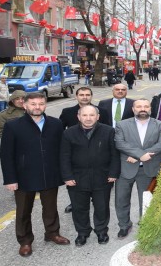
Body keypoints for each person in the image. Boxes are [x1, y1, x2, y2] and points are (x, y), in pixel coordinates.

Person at [0, 93, 70, 257]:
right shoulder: (13, 126)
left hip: (50, 173)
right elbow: (6, 155)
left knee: (51, 208)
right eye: (33, 104)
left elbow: (62, 150)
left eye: (40, 104)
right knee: (24, 210)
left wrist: (64, 173)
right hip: (24, 176)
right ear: (24, 105)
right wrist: (10, 179)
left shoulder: (56, 124)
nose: (37, 107)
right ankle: (25, 241)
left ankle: (52, 233)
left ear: (45, 105)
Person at [60, 105, 119, 246]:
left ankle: (101, 231)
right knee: (79, 208)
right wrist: (67, 176)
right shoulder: (69, 133)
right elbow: (64, 156)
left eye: (92, 115)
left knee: (102, 207)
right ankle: (82, 232)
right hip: (77, 178)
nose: (88, 118)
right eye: (84, 115)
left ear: (97, 116)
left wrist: (113, 173)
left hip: (103, 177)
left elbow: (115, 154)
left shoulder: (109, 131)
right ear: (78, 117)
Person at [114, 99, 161, 238]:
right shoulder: (122, 125)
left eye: (146, 106)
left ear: (150, 108)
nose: (142, 109)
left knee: (146, 200)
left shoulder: (160, 125)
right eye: (139, 106)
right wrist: (140, 155)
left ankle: (146, 225)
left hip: (148, 169)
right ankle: (124, 225)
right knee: (121, 199)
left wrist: (138, 156)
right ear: (133, 109)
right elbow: (120, 143)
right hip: (125, 168)